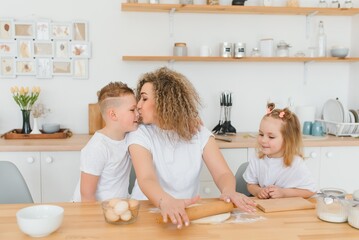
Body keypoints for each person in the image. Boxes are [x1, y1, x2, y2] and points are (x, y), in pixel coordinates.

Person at [128, 67, 256, 229]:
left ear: (165, 101)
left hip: (187, 213)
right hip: (148, 211)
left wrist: (228, 190)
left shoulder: (198, 132)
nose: (138, 105)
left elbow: (222, 173)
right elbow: (146, 178)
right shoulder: (140, 134)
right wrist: (165, 200)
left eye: (144, 99)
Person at [72, 82, 139, 202]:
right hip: (91, 211)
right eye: (132, 110)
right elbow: (87, 195)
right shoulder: (97, 147)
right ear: (113, 115)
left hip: (114, 209)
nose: (138, 114)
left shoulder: (130, 136)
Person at [243, 103, 317, 199]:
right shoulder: (257, 159)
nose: (263, 140)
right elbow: (250, 184)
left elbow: (310, 191)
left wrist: (284, 193)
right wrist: (258, 191)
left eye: (271, 137)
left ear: (288, 140)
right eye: (261, 134)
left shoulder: (296, 163)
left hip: (286, 210)